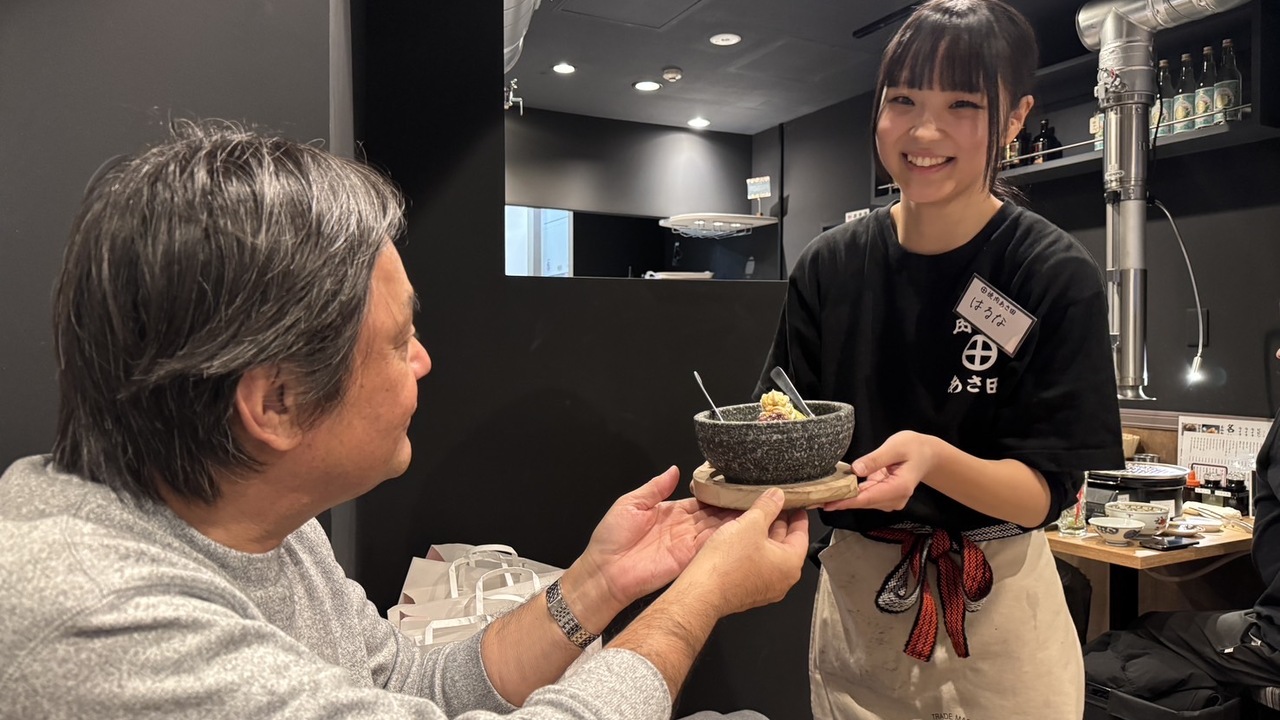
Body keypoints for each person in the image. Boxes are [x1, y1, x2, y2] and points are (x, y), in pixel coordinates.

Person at [0, 121, 809, 720]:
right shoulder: (100, 625)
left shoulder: (258, 521)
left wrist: (601, 584)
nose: (423, 362)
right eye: (398, 342)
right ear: (276, 403)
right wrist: (696, 600)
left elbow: (410, 686)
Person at [754, 1, 1124, 718]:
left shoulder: (1047, 271)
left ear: (1015, 118)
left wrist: (934, 459)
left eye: (962, 103)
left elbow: (1047, 494)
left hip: (1000, 609)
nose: (923, 131)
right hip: (859, 609)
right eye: (902, 100)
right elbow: (788, 428)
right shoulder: (830, 266)